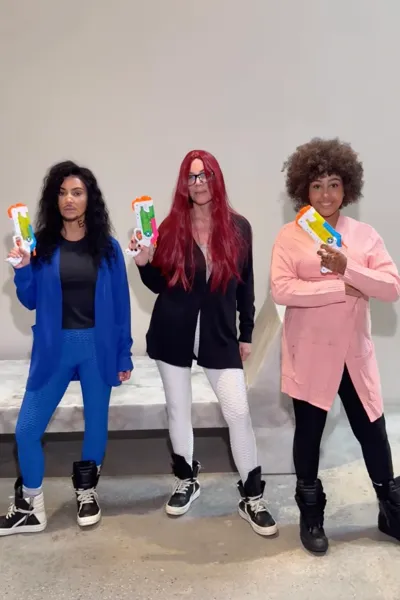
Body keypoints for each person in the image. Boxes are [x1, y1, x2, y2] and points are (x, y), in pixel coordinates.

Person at [129, 149, 277, 536]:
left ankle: (252, 495)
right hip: (172, 331)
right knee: (179, 411)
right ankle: (186, 479)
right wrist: (144, 262)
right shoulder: (169, 227)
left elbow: (245, 285)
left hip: (219, 334)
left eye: (205, 175)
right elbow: (159, 284)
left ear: (216, 178)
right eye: (192, 177)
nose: (198, 184)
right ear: (184, 184)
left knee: (238, 413)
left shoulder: (239, 228)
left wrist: (246, 333)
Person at [270, 137, 400, 554]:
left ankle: (390, 509)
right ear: (303, 189)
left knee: (373, 432)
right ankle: (311, 514)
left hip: (353, 356)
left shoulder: (364, 236)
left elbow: (391, 287)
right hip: (309, 354)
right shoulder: (289, 236)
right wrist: (340, 287)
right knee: (309, 434)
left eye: (334, 184)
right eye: (317, 185)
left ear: (347, 188)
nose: (326, 194)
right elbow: (281, 289)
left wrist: (350, 268)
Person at [0, 161, 133, 536]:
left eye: (76, 192)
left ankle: (87, 492)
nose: (69, 199)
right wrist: (22, 268)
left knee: (96, 424)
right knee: (27, 429)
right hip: (54, 348)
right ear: (53, 199)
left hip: (97, 348)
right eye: (61, 193)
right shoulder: (41, 245)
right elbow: (29, 300)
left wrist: (123, 353)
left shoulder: (107, 248)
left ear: (90, 198)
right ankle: (31, 507)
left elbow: (121, 306)